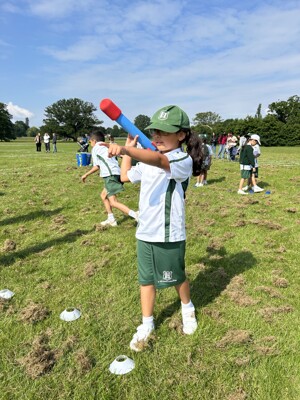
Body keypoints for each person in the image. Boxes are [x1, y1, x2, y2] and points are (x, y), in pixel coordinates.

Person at [107, 105, 204, 351]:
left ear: (181, 135)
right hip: (145, 231)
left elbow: (160, 160)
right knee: (146, 280)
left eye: (164, 131)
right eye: (154, 132)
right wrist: (128, 148)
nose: (157, 136)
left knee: (176, 276)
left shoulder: (181, 159)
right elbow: (125, 176)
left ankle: (187, 308)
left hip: (169, 232)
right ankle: (147, 323)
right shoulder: (149, 157)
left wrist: (129, 149)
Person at [81, 130, 138, 226]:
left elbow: (97, 166)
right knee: (103, 196)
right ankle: (111, 219)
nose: (90, 143)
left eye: (90, 141)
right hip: (117, 173)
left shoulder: (95, 148)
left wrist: (86, 174)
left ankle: (136, 215)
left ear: (94, 141)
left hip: (110, 175)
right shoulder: (105, 146)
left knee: (113, 202)